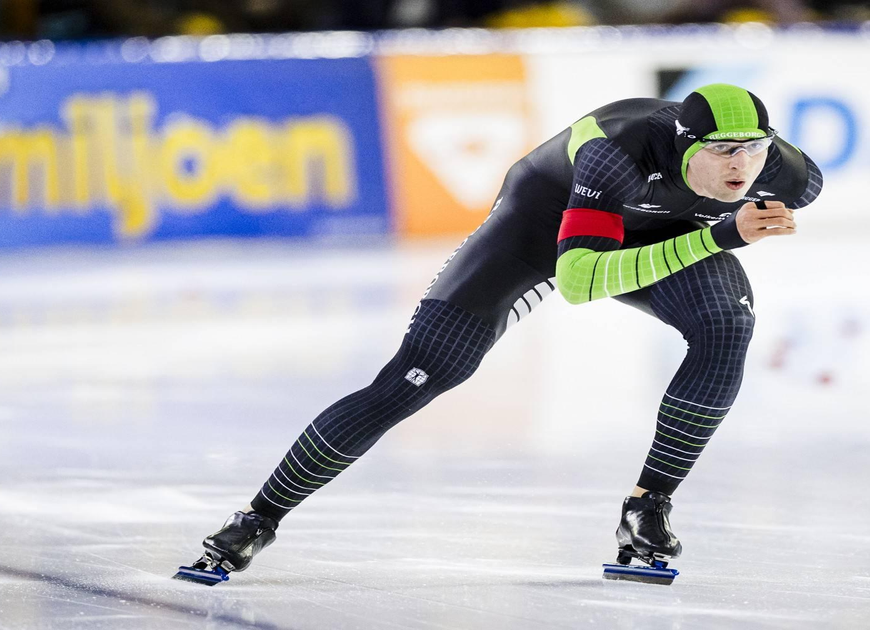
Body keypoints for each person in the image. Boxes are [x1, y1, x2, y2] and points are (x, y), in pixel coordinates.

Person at [175, 83, 823, 585]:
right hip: (542, 232)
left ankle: (647, 505)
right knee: (415, 377)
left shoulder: (778, 167)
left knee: (726, 323)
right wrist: (718, 234)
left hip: (659, 236)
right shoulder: (615, 150)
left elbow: (807, 186)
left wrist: (727, 224)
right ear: (684, 146)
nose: (741, 167)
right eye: (721, 152)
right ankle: (257, 518)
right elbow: (579, 280)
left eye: (753, 150)